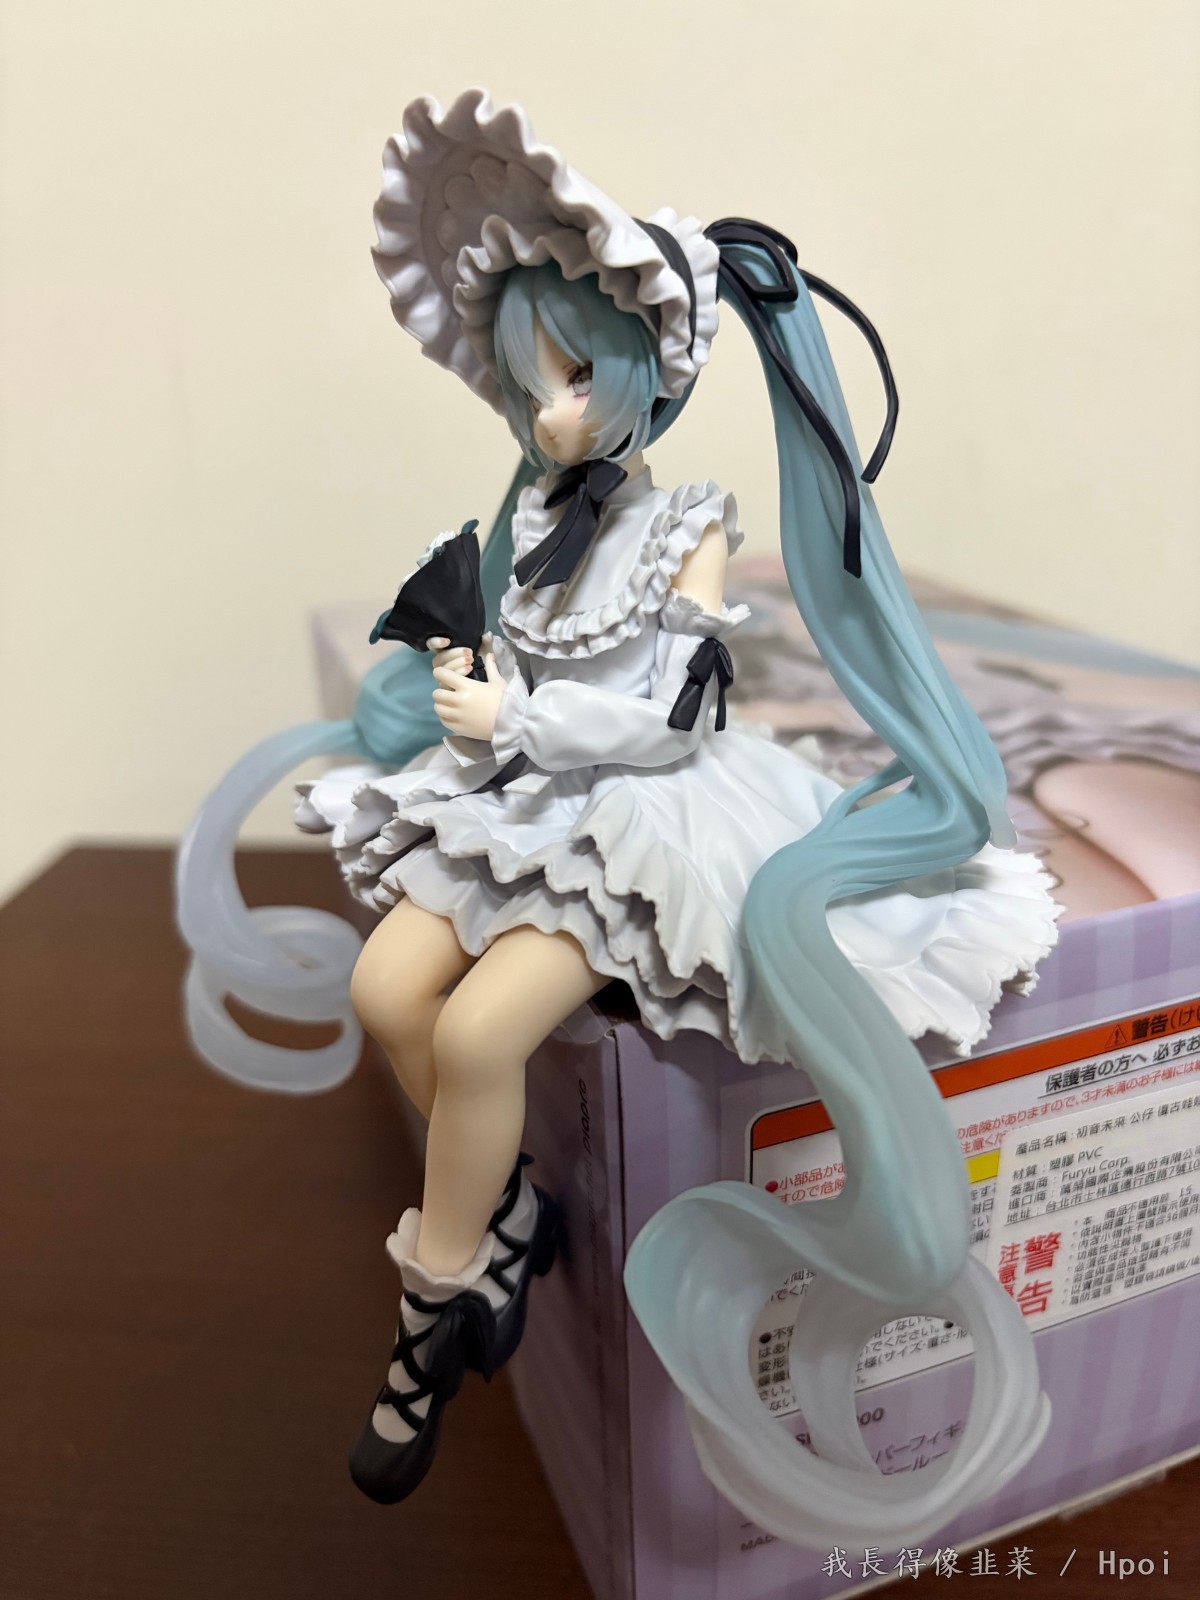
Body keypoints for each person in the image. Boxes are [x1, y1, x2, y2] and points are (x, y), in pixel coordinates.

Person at [177, 89, 1061, 1541]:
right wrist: (467, 688)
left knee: (480, 1034)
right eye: (530, 384)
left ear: (651, 369)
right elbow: (512, 662)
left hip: (630, 814)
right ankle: (506, 1216)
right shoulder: (528, 515)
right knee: (387, 988)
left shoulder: (686, 522)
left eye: (576, 378)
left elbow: (675, 715)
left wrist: (519, 720)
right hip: (517, 797)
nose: (547, 413)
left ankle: (432, 1314)